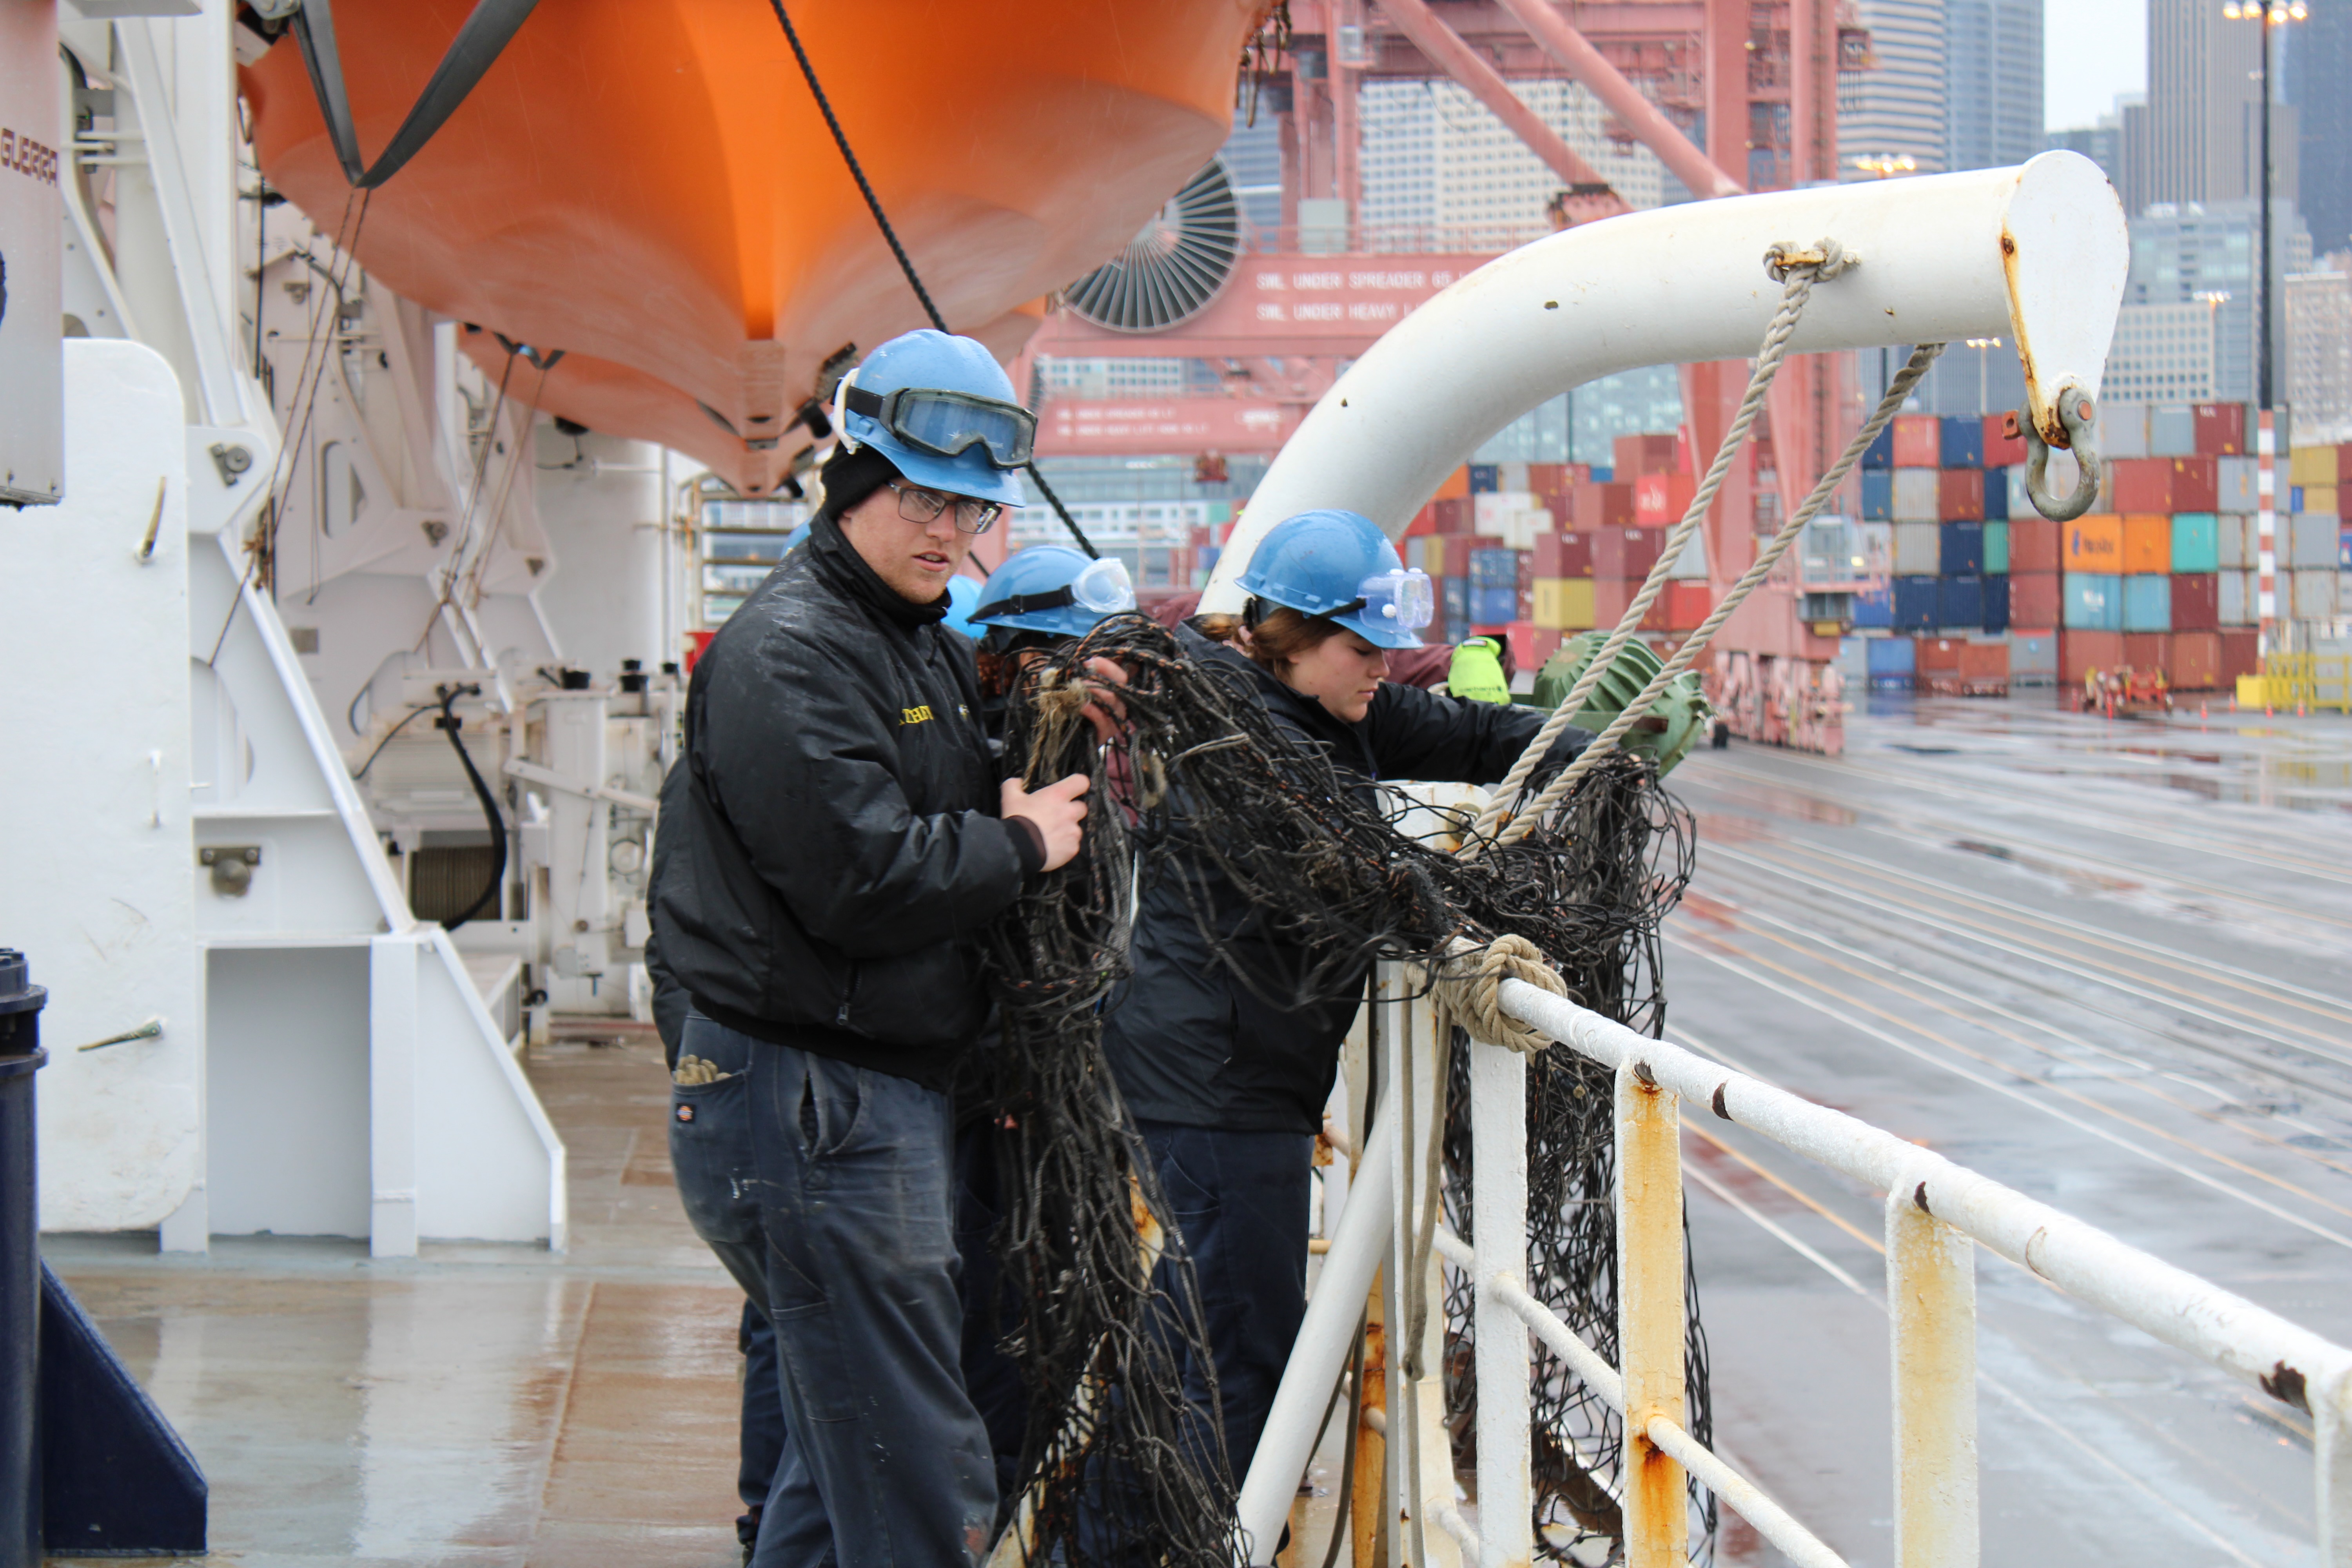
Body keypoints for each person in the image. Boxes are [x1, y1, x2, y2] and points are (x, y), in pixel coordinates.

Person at [649, 327, 1114, 1566]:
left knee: (838, 1455)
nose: (944, 532)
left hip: (857, 1100)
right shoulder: (790, 652)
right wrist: (1020, 847)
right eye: (918, 496)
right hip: (814, 1111)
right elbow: (862, 877)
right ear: (853, 481)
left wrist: (1050, 714)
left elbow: (936, 769)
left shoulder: (909, 637)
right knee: (918, 1476)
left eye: (967, 508)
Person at [1099, 508, 1593, 1491]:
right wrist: (1453, 941)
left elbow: (1467, 730)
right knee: (1242, 1352)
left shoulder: (1325, 709)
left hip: (1224, 1074)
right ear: (1291, 638)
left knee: (1189, 1329)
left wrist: (1587, 745)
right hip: (1220, 1085)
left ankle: (1114, 1532)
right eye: (1363, 648)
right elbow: (1352, 870)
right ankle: (1161, 1543)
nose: (1383, 668)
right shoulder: (1244, 744)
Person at [948, 543, 1140, 1505]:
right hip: (987, 1099)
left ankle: (1015, 1499)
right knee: (991, 1309)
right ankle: (994, 1505)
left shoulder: (1084, 767)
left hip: (1045, 1096)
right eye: (1076, 661)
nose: (1102, 685)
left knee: (1036, 1307)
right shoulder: (980, 765)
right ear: (1017, 657)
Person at [643, 757, 785, 1563]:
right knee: (787, 1300)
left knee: (785, 1302)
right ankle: (773, 1509)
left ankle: (777, 1506)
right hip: (740, 1061)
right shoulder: (721, 761)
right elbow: (676, 930)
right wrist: (700, 1058)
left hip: (742, 1059)